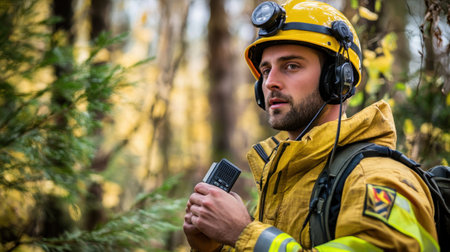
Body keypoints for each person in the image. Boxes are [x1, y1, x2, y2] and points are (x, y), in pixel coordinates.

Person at [183, 0, 439, 251]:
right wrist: (214, 246)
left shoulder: (374, 178)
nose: (270, 82)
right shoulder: (287, 174)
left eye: (291, 66)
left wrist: (243, 232)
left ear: (337, 79)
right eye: (265, 70)